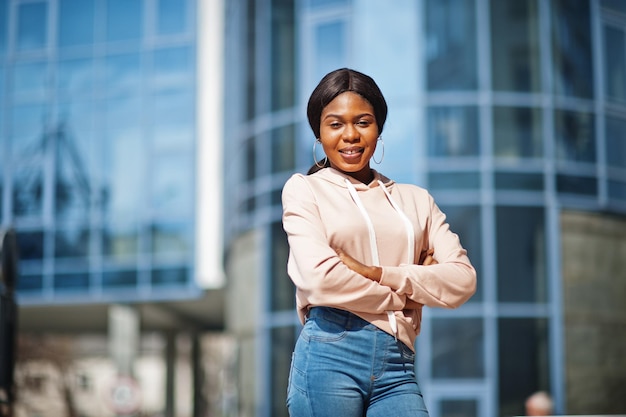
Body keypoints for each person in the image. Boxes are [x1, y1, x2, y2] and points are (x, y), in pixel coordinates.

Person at [281, 68, 477, 417]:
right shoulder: (304, 190)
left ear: (378, 128)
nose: (350, 136)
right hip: (329, 355)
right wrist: (406, 294)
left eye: (363, 122)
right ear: (319, 132)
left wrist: (375, 272)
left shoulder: (416, 200)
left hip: (397, 364)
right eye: (335, 124)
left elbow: (462, 280)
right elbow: (319, 279)